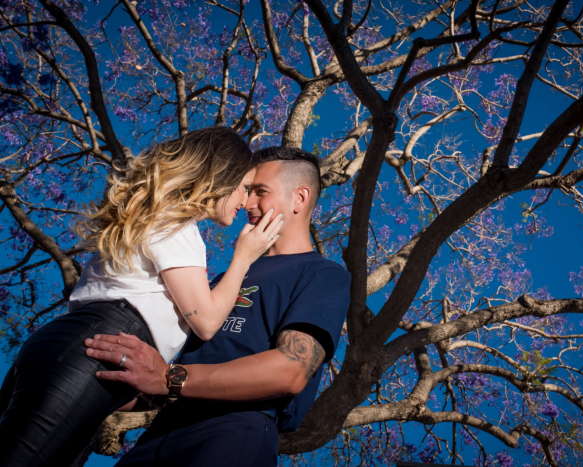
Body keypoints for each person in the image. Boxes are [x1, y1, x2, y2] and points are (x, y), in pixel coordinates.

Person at [0, 127, 283, 467]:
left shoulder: (157, 216)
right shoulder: (176, 223)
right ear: (222, 177)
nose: (246, 201)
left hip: (74, 350)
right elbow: (206, 322)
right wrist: (243, 257)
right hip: (90, 352)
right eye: (245, 188)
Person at [84, 147, 351, 467]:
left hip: (233, 429)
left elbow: (292, 370)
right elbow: (168, 371)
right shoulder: (226, 278)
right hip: (159, 432)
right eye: (247, 191)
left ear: (299, 198)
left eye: (260, 192)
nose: (248, 203)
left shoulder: (322, 274)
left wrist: (170, 378)